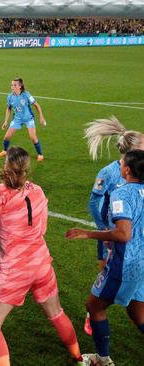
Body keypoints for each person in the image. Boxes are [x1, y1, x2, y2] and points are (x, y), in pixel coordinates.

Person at [0, 147, 83, 366]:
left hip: (15, 268)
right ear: (27, 168)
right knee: (56, 313)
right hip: (41, 262)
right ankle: (78, 356)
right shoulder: (37, 190)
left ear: (7, 164)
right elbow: (41, 226)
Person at [66, 149, 144, 366]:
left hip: (126, 263)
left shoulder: (122, 193)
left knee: (94, 307)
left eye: (122, 163)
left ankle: (102, 360)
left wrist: (88, 233)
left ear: (127, 170)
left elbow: (123, 234)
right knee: (138, 313)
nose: (119, 165)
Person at [83, 116, 144, 335]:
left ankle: (97, 310)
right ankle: (93, 313)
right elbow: (94, 202)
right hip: (113, 236)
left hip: (133, 241)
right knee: (105, 276)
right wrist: (102, 228)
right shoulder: (109, 174)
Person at [0, 78, 47, 161]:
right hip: (17, 119)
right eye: (11, 85)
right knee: (6, 137)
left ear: (20, 86)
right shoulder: (10, 97)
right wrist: (5, 121)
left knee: (33, 138)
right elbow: (8, 108)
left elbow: (37, 105)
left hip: (28, 119)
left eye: (15, 85)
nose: (12, 87)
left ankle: (40, 154)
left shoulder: (26, 95)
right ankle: (5, 150)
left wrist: (41, 117)